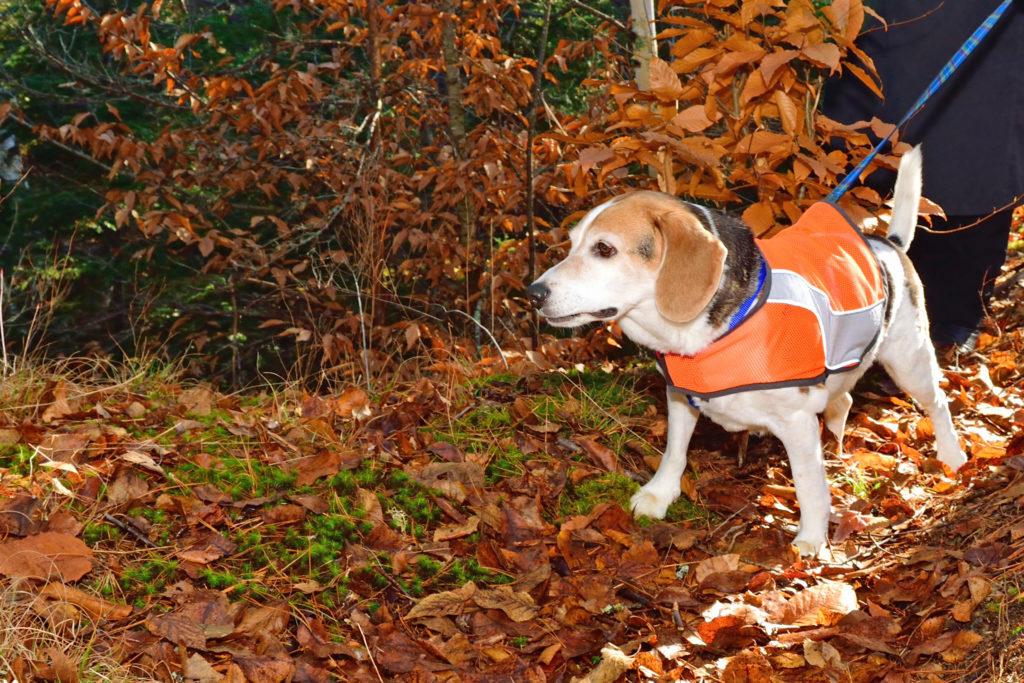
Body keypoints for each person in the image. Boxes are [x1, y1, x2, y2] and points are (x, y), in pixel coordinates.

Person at [824, 0, 1024, 350]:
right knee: (860, 143)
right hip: (888, 30)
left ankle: (945, 326)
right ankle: (853, 316)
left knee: (977, 160)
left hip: (992, 44)